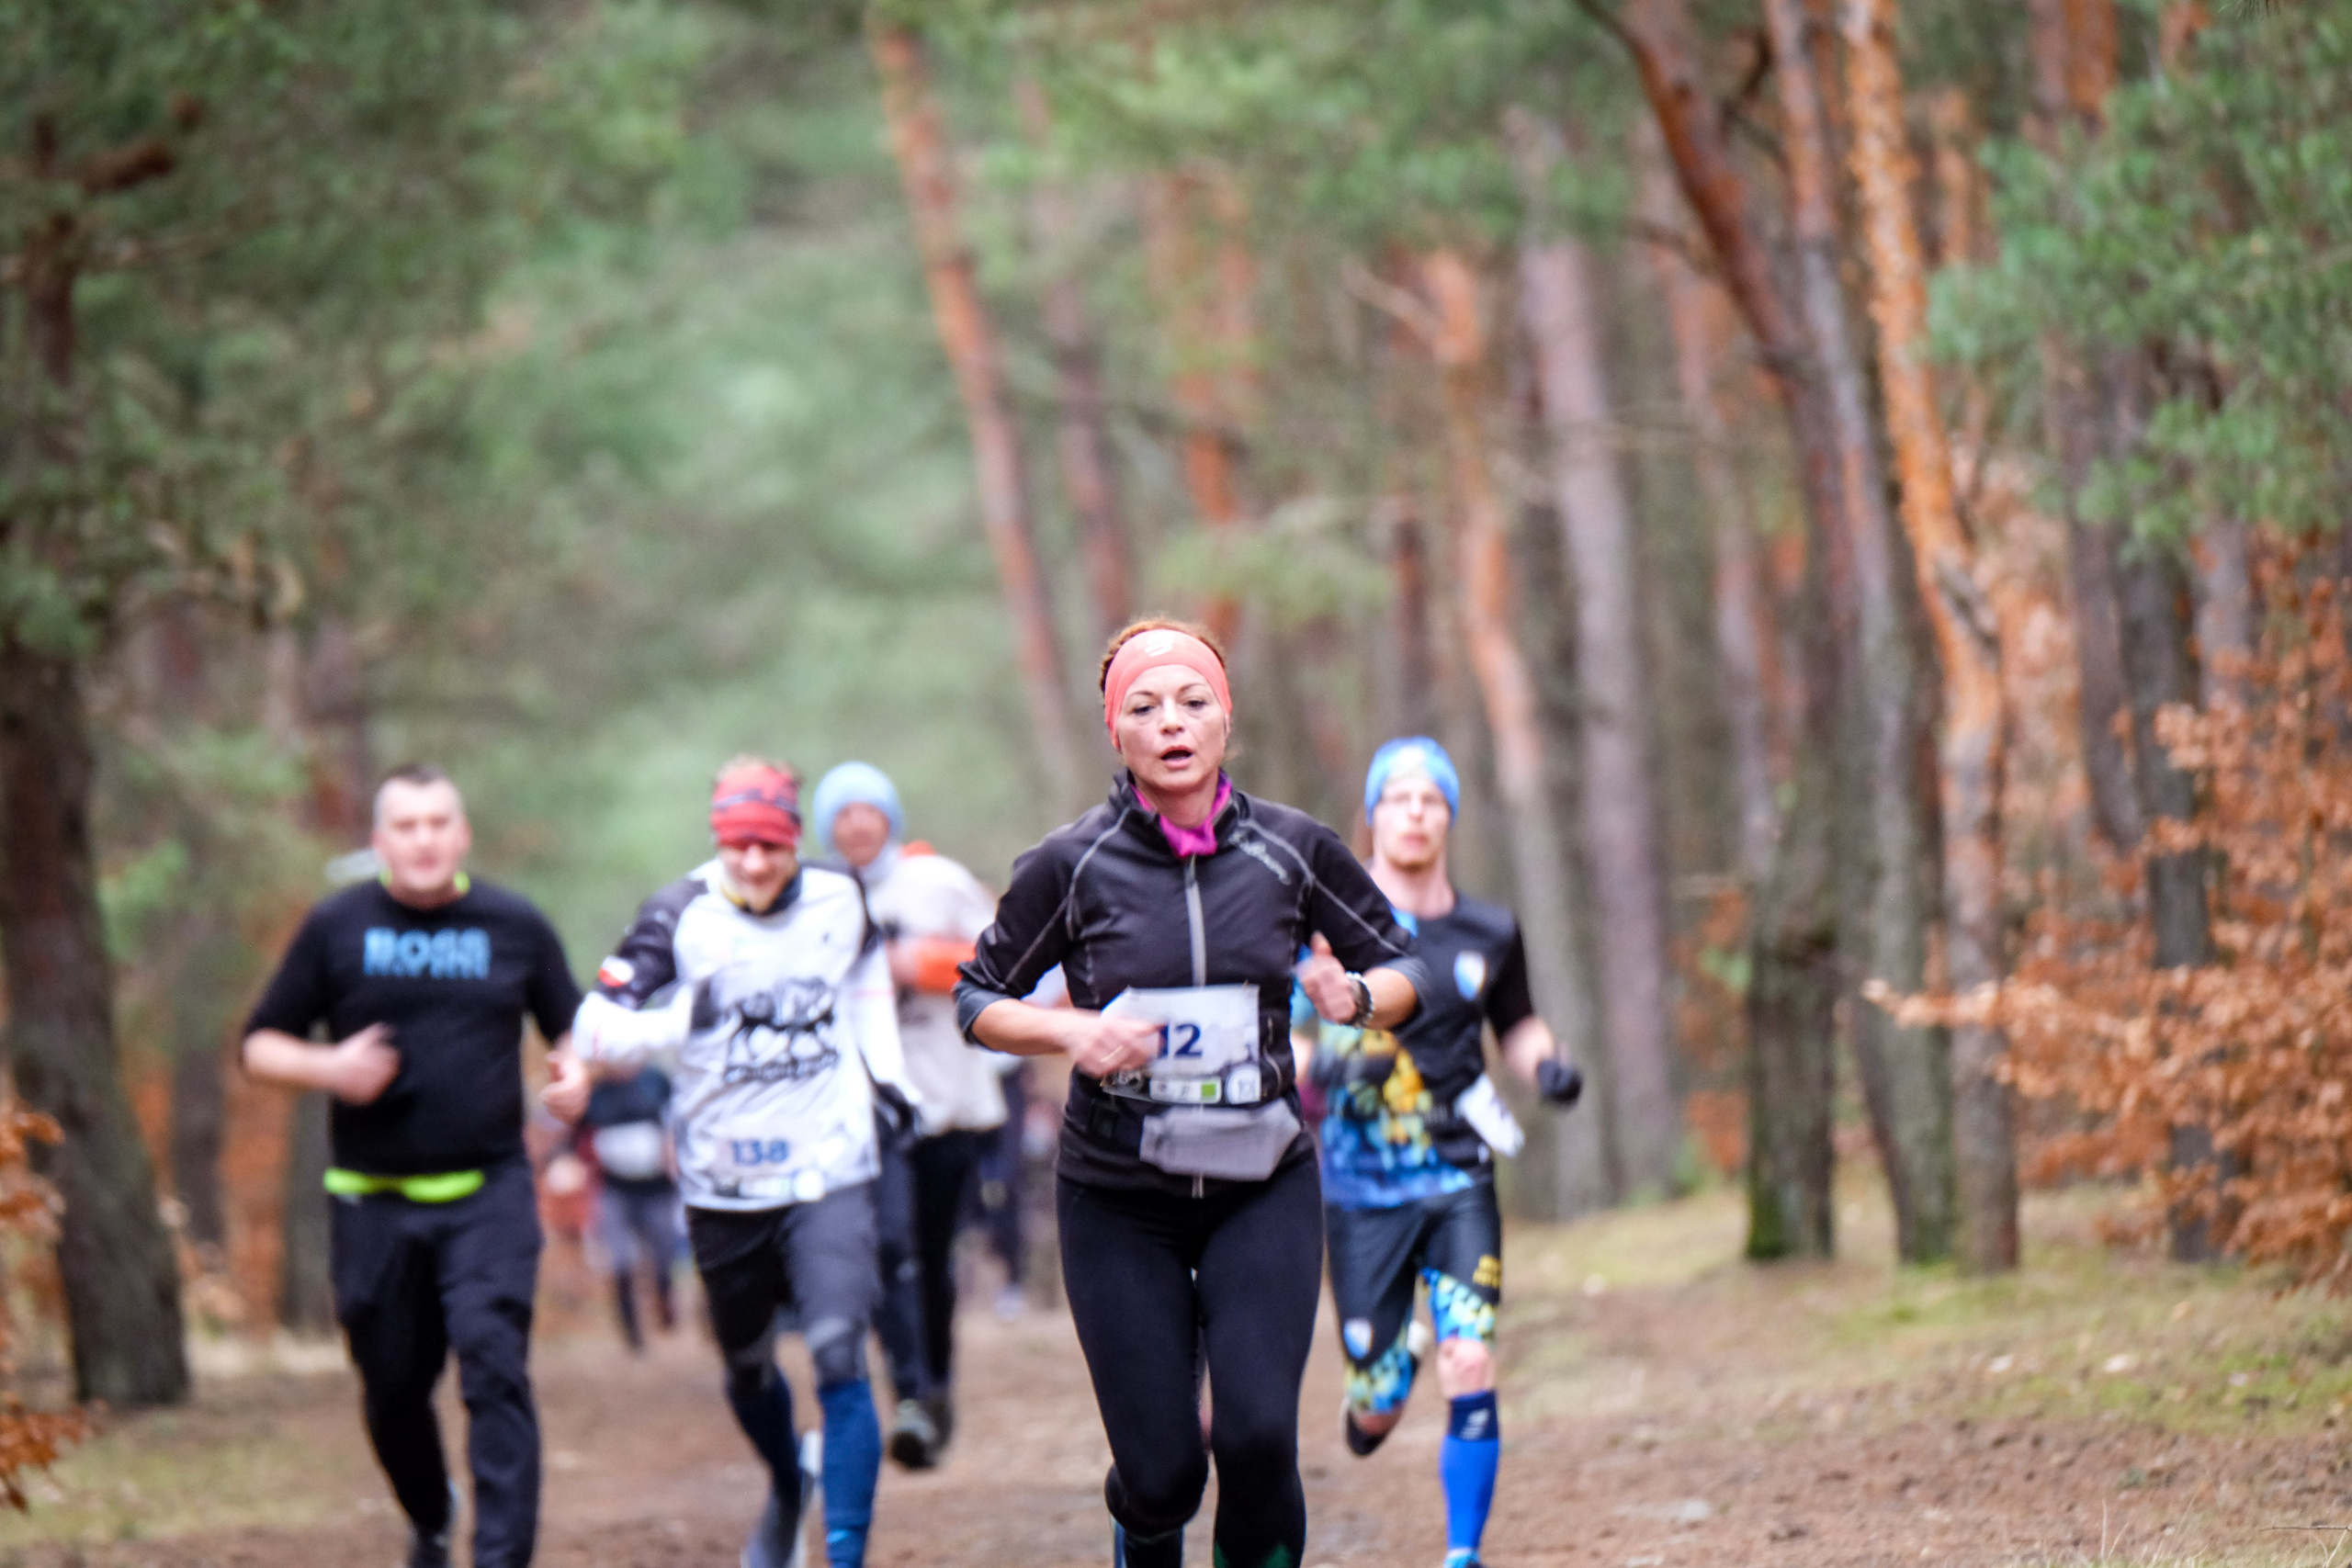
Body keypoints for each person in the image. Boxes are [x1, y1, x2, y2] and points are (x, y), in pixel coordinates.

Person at [957, 619, 1430, 1568]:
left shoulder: (1292, 850)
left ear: (1225, 721)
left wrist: (1357, 999)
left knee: (1256, 1440)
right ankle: (1143, 1520)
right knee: (1163, 1475)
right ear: (1115, 734)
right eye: (1144, 708)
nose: (1170, 723)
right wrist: (1070, 1031)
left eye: (1191, 702)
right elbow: (979, 999)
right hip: (1117, 1196)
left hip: (1262, 1183)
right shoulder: (1070, 863)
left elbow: (1406, 971)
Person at [545, 758, 917, 1568]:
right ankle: (789, 1486)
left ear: (796, 841)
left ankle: (845, 1555)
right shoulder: (679, 913)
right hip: (722, 1182)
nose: (754, 864)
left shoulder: (838, 897)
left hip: (829, 1166)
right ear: (718, 842)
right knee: (748, 1368)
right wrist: (682, 1017)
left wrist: (888, 1080)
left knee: (837, 1351)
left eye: (772, 846)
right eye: (738, 846)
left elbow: (866, 984)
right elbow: (596, 1029)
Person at [242, 764, 582, 1568]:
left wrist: (574, 1076)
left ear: (462, 834)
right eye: (407, 824)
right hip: (373, 1201)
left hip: (488, 1191)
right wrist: (329, 1069)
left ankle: (500, 1557)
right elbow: (259, 1043)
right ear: (379, 840)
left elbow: (573, 1029)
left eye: (438, 822)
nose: (424, 838)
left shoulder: (514, 924)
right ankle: (431, 1513)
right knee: (393, 1389)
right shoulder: (337, 926)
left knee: (493, 1367)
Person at [1297, 738, 1584, 1568]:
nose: (1416, 812)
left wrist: (1547, 1066)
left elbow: (1519, 1024)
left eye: (1432, 800)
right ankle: (1394, 1359)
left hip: (1461, 1175)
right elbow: (1292, 1030)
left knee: (1472, 1354)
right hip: (1357, 1187)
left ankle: (1463, 1553)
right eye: (1400, 798)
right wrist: (1306, 1072)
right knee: (1373, 1408)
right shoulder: (1327, 927)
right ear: (1374, 814)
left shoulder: (1489, 928)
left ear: (1448, 817)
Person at [810, 761, 1003, 1469]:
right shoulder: (814, 894)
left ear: (890, 815)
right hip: (858, 1110)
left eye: (870, 810)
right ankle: (911, 1394)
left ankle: (938, 1381)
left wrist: (920, 962)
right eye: (843, 813)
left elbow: (1005, 961)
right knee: (887, 1251)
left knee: (930, 1254)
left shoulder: (938, 882)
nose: (858, 824)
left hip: (946, 1102)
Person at [579, 1065, 681, 1352]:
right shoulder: (595, 1093)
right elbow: (579, 1133)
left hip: (657, 1188)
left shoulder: (657, 1081)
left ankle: (664, 1300)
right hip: (614, 1189)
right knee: (619, 1260)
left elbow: (677, 1120)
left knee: (664, 1254)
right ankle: (632, 1334)